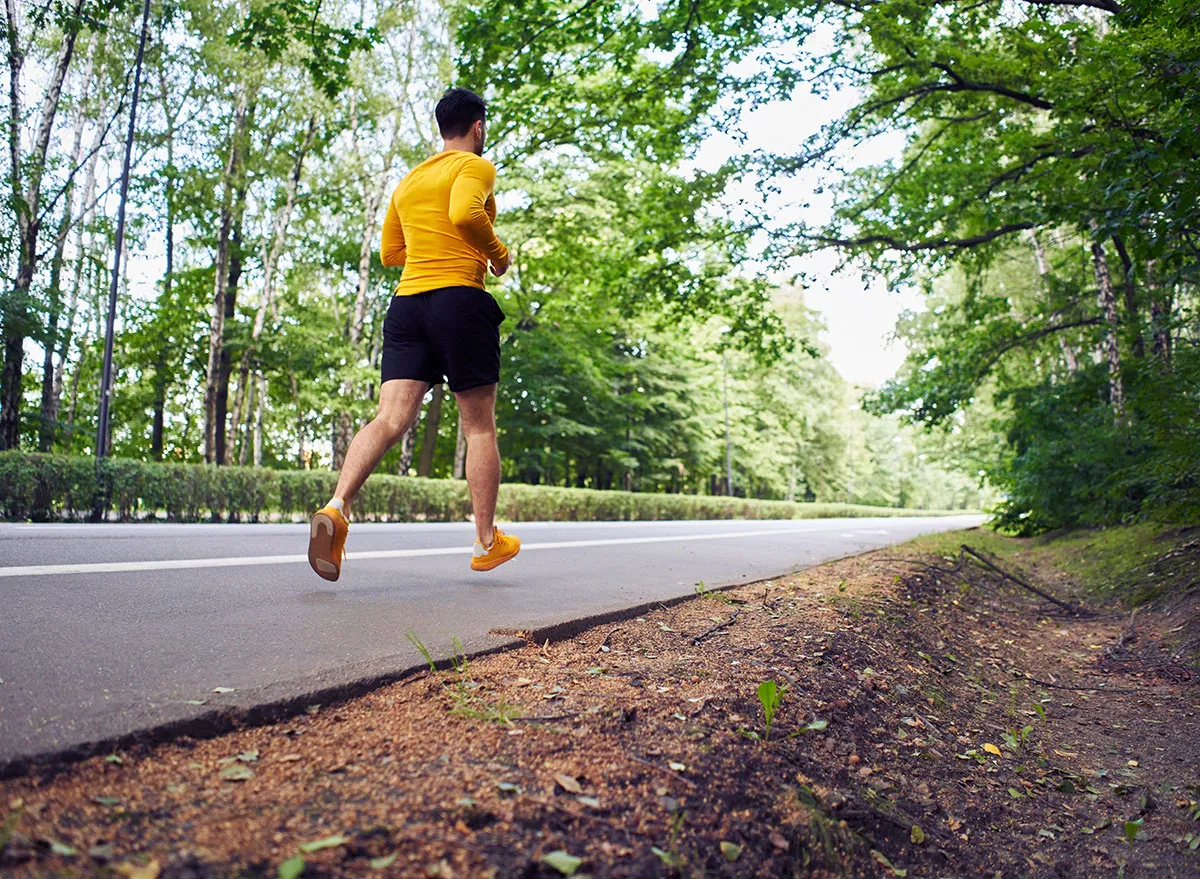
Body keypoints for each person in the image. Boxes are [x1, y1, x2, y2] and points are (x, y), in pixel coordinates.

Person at [307, 87, 520, 582]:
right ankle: (486, 542)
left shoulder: (409, 180)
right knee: (479, 426)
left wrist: (430, 251)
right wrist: (498, 254)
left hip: (407, 306)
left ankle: (337, 507)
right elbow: (465, 215)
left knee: (389, 418)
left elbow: (390, 253)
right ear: (478, 127)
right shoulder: (475, 168)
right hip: (459, 302)